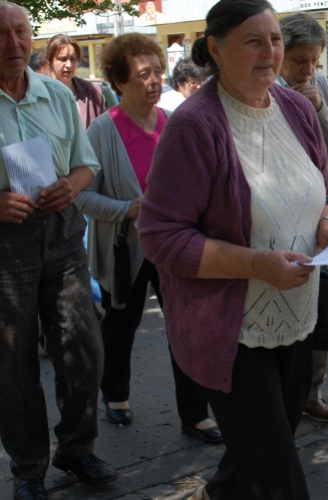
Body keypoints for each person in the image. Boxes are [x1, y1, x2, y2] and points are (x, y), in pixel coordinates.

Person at [137, 0, 328, 498]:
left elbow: (320, 188)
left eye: (275, 39)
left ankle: (213, 495)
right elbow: (160, 236)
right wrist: (257, 264)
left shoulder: (297, 107)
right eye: (253, 41)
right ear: (215, 48)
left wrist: (327, 226)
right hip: (231, 332)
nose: (269, 53)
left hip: (298, 318)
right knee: (278, 479)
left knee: (256, 455)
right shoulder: (194, 124)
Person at [75, 33, 222, 445]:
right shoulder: (103, 131)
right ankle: (115, 393)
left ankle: (195, 413)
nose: (156, 81)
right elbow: (83, 195)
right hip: (126, 249)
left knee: (185, 327)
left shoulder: (172, 124)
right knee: (121, 325)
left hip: (172, 245)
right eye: (144, 75)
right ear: (120, 82)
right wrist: (127, 210)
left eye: (158, 72)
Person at [0, 3, 117, 499]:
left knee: (82, 347)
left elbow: (85, 165)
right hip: (7, 243)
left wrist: (71, 185)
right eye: (1, 34)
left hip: (64, 231)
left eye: (21, 31)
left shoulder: (55, 94)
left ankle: (77, 448)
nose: (13, 43)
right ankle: (29, 468)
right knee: (13, 359)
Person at [278, 12, 328, 423]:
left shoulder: (319, 86)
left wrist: (319, 109)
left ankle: (312, 393)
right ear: (278, 55)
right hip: (279, 221)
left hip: (322, 215)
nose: (308, 69)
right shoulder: (265, 90)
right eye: (299, 61)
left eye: (315, 60)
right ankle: (279, 400)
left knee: (319, 307)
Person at [46, 34, 107, 129]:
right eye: (63, 59)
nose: (69, 65)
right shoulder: (39, 92)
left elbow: (103, 130)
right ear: (50, 61)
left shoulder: (92, 91)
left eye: (73, 59)